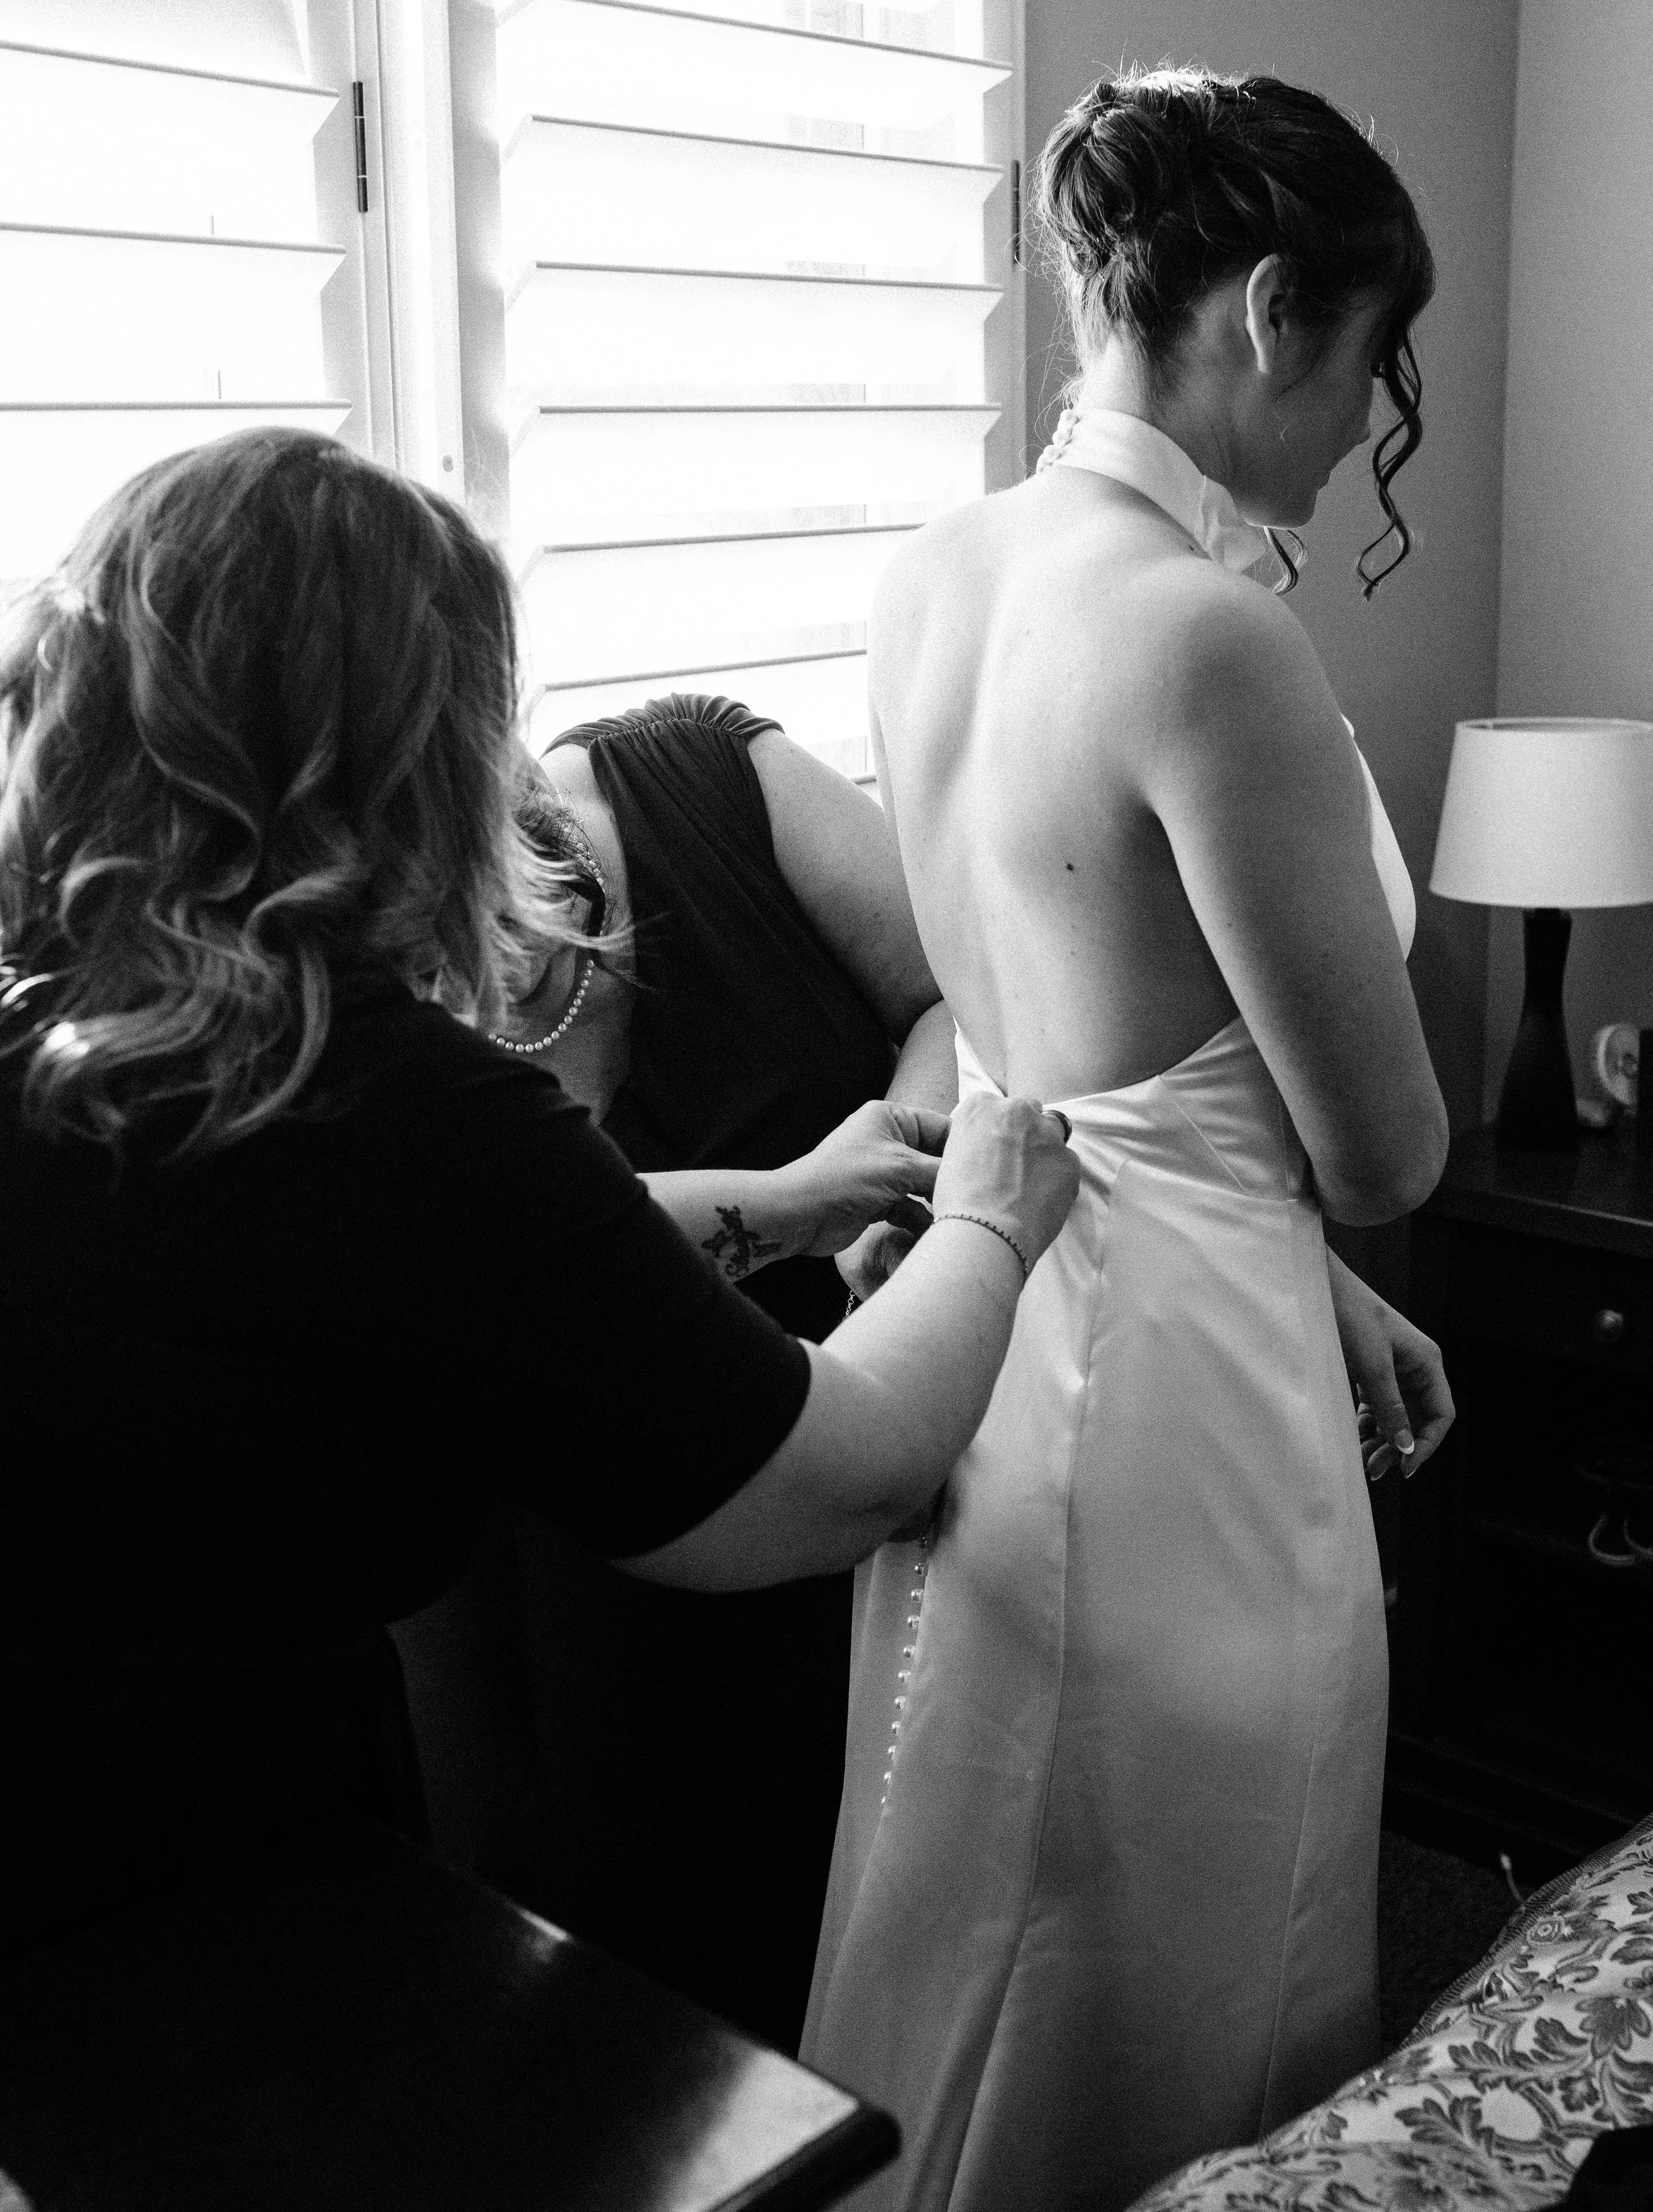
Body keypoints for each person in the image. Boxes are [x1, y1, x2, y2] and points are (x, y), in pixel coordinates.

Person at [0, 427, 1078, 1964]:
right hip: (188, 1893)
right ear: (411, 755)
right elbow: (837, 1478)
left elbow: (463, 1269)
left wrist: (772, 1204)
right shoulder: (362, 1083)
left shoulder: (73, 1020)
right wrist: (987, 1211)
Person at [802, 69, 1457, 2211]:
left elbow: (1059, 1056)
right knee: (1201, 1948)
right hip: (1191, 1419)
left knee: (985, 1883)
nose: (1367, 428)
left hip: (986, 1347)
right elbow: (1384, 1152)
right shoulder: (1208, 641)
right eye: (1373, 364)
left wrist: (1312, 1267)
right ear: (1273, 310)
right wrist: (1327, 1240)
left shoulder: (939, 574)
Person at [397, 694, 958, 2050]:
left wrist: (906, 1172)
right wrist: (790, 1194)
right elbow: (483, 1242)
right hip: (564, 1542)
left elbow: (945, 997)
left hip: (842, 1424)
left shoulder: (712, 775)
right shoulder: (337, 981)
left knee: (865, 1907)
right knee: (625, 1984)